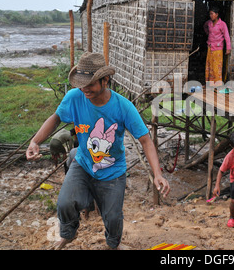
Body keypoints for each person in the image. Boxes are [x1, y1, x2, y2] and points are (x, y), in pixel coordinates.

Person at [26, 52, 170, 250]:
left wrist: (158, 174)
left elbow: (145, 140)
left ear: (105, 80)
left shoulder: (123, 107)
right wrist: (35, 141)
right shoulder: (75, 98)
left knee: (112, 217)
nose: (85, 89)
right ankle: (68, 234)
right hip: (84, 163)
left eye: (90, 84)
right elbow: (56, 117)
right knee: (65, 203)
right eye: (82, 83)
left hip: (112, 171)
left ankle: (114, 245)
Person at [203, 6, 231, 86]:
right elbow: (205, 26)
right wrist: (208, 33)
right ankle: (210, 84)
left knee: (216, 67)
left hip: (218, 49)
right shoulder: (209, 23)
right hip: (210, 47)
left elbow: (226, 36)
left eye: (212, 14)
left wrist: (228, 48)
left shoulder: (222, 24)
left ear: (217, 14)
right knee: (209, 66)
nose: (211, 15)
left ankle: (217, 85)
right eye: (210, 14)